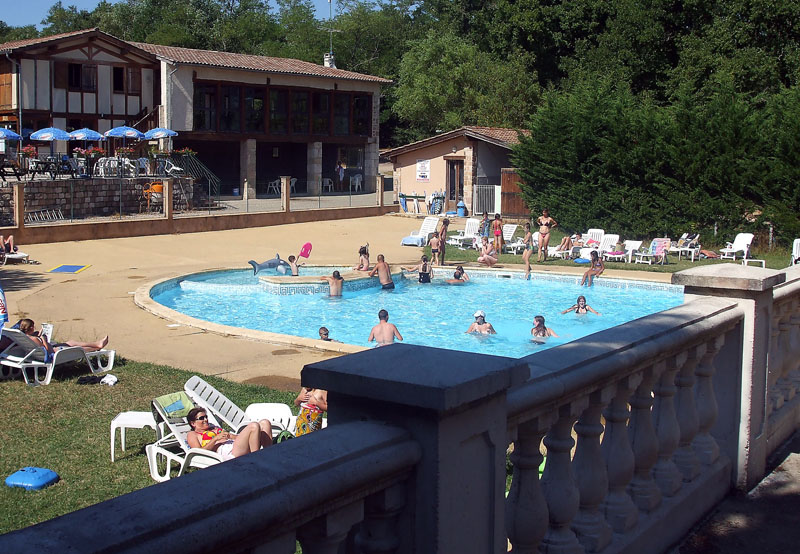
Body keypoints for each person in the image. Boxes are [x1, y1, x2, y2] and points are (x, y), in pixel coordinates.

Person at [186, 407, 272, 460]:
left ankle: (270, 456)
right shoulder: (193, 434)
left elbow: (236, 437)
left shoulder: (213, 428)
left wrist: (230, 435)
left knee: (265, 423)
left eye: (206, 417)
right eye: (201, 418)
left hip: (236, 444)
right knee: (254, 426)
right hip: (228, 451)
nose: (205, 419)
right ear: (193, 423)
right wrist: (215, 439)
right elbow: (198, 452)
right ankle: (256, 460)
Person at [18, 318, 108, 355]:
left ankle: (97, 344)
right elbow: (46, 351)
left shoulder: (24, 337)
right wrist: (43, 339)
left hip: (52, 349)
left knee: (71, 342)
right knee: (77, 348)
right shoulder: (34, 339)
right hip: (54, 353)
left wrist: (38, 336)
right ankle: (96, 347)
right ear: (30, 328)